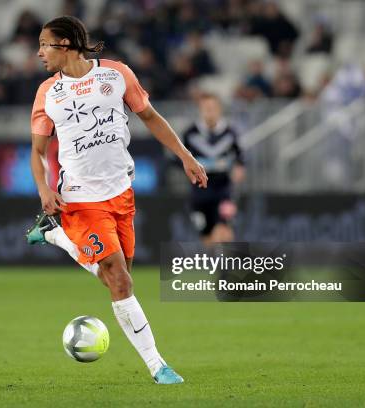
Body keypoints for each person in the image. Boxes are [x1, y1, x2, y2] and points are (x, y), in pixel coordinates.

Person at [25, 16, 207, 384]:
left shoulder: (116, 75)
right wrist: (45, 189)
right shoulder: (48, 93)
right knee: (119, 281)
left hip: (121, 194)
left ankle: (56, 236)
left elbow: (151, 118)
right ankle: (159, 366)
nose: (40, 52)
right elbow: (38, 151)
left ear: (66, 45)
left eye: (46, 44)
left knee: (116, 279)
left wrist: (185, 155)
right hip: (79, 197)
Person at [182, 92, 245, 245]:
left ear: (219, 110)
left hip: (223, 188)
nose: (210, 111)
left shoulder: (230, 133)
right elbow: (179, 157)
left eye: (213, 108)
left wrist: (239, 167)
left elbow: (240, 156)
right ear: (200, 110)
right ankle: (216, 265)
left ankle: (227, 267)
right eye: (206, 108)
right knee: (206, 235)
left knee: (224, 228)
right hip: (200, 190)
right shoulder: (190, 134)